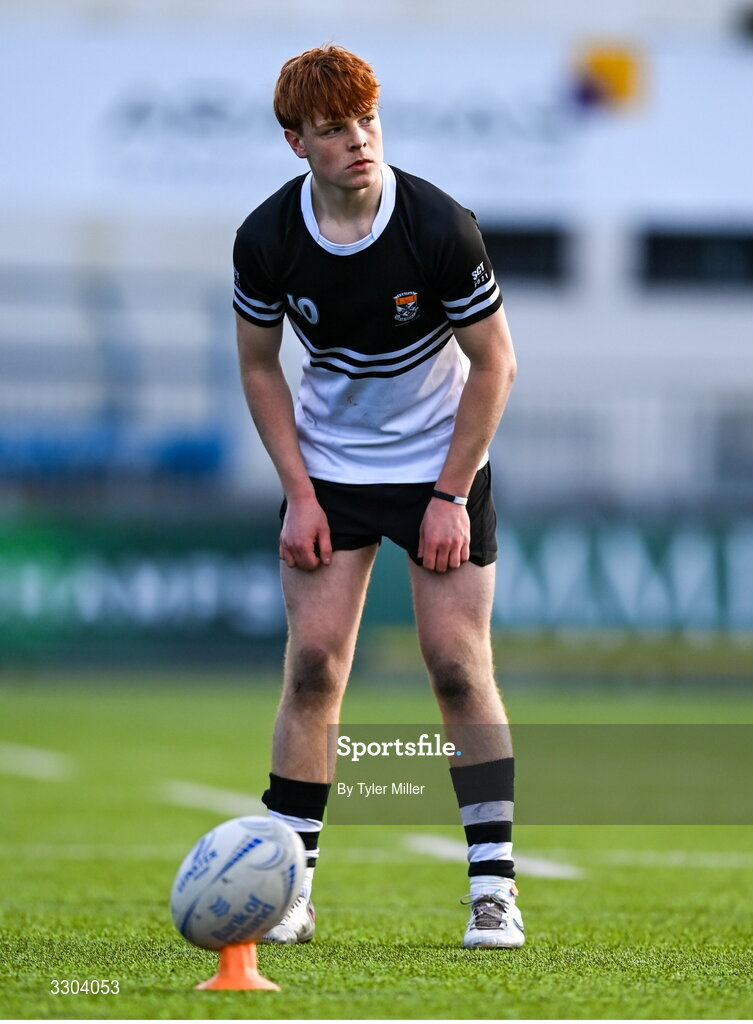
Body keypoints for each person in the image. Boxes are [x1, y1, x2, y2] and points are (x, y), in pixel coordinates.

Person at [233, 43, 523, 949]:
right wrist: (298, 494)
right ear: (296, 144)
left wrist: (449, 494)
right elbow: (257, 366)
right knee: (314, 666)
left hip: (442, 463)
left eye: (367, 121)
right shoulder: (268, 238)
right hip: (329, 471)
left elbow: (495, 365)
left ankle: (492, 892)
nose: (359, 141)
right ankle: (290, 892)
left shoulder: (438, 226)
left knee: (454, 666)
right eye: (333, 130)